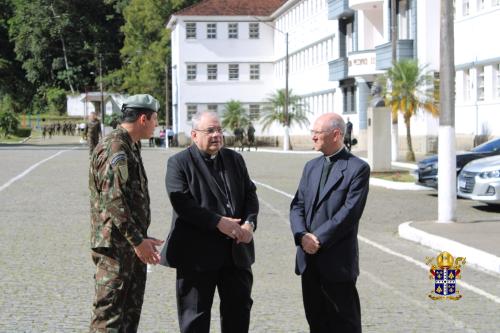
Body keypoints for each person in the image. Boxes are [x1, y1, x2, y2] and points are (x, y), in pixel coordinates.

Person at [160, 110, 259, 333]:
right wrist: (218, 222)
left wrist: (249, 224)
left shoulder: (235, 159)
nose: (217, 135)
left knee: (239, 313)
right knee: (195, 318)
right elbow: (183, 204)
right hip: (197, 256)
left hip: (236, 252)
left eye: (219, 130)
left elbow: (250, 195)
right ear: (194, 135)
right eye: (210, 131)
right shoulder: (179, 163)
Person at [89, 94, 164, 333]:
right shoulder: (116, 147)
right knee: (109, 320)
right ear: (144, 118)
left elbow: (130, 199)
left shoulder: (131, 144)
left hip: (129, 246)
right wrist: (137, 240)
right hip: (116, 250)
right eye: (155, 120)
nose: (156, 125)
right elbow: (115, 200)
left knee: (128, 319)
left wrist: (140, 238)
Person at [289, 113, 370, 333]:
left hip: (337, 262)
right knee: (316, 322)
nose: (313, 137)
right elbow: (297, 205)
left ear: (336, 135)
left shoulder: (357, 169)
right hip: (308, 261)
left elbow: (349, 213)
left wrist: (318, 239)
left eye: (317, 133)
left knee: (345, 325)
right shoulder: (310, 167)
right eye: (312, 132)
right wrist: (301, 235)